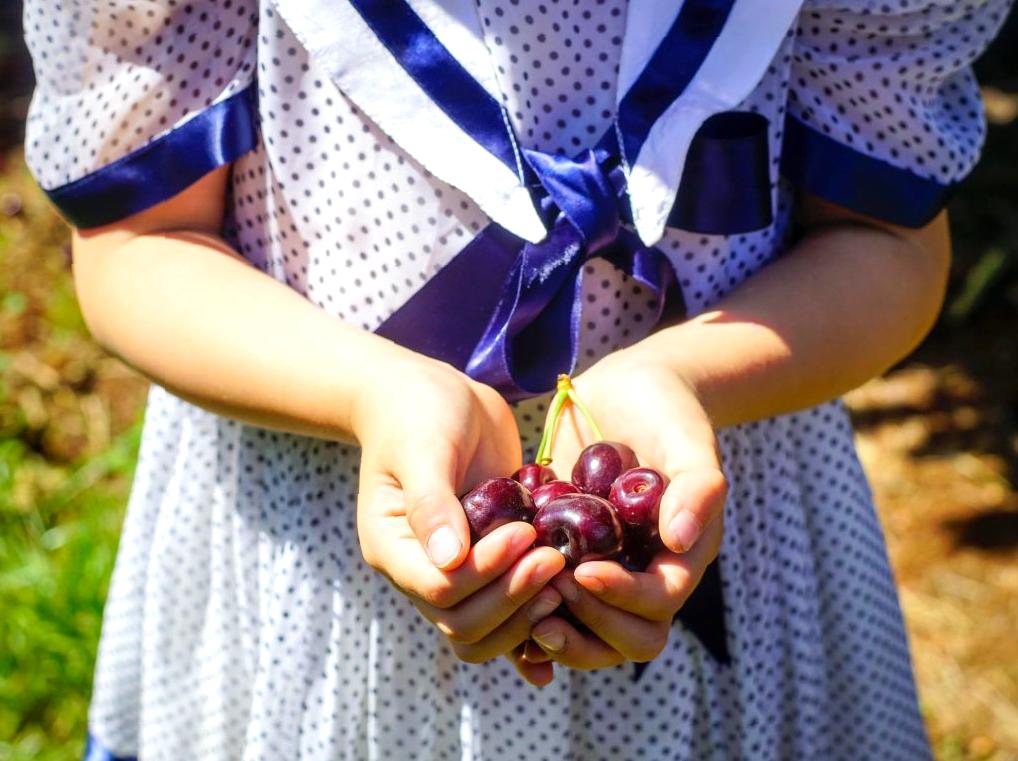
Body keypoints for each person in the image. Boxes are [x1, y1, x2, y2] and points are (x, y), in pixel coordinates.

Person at [23, 0, 1011, 758]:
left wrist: (681, 377)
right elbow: (141, 243)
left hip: (720, 525)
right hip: (323, 550)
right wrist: (375, 393)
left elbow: (887, 241)